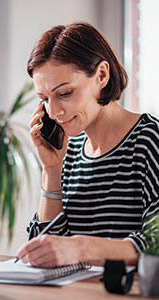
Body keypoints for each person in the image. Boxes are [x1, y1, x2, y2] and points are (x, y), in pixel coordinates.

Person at [16, 22, 159, 268]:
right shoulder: (69, 153)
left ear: (101, 75)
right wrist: (51, 170)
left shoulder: (149, 140)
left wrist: (81, 247)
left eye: (65, 93)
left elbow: (155, 241)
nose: (53, 111)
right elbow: (46, 250)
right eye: (44, 99)